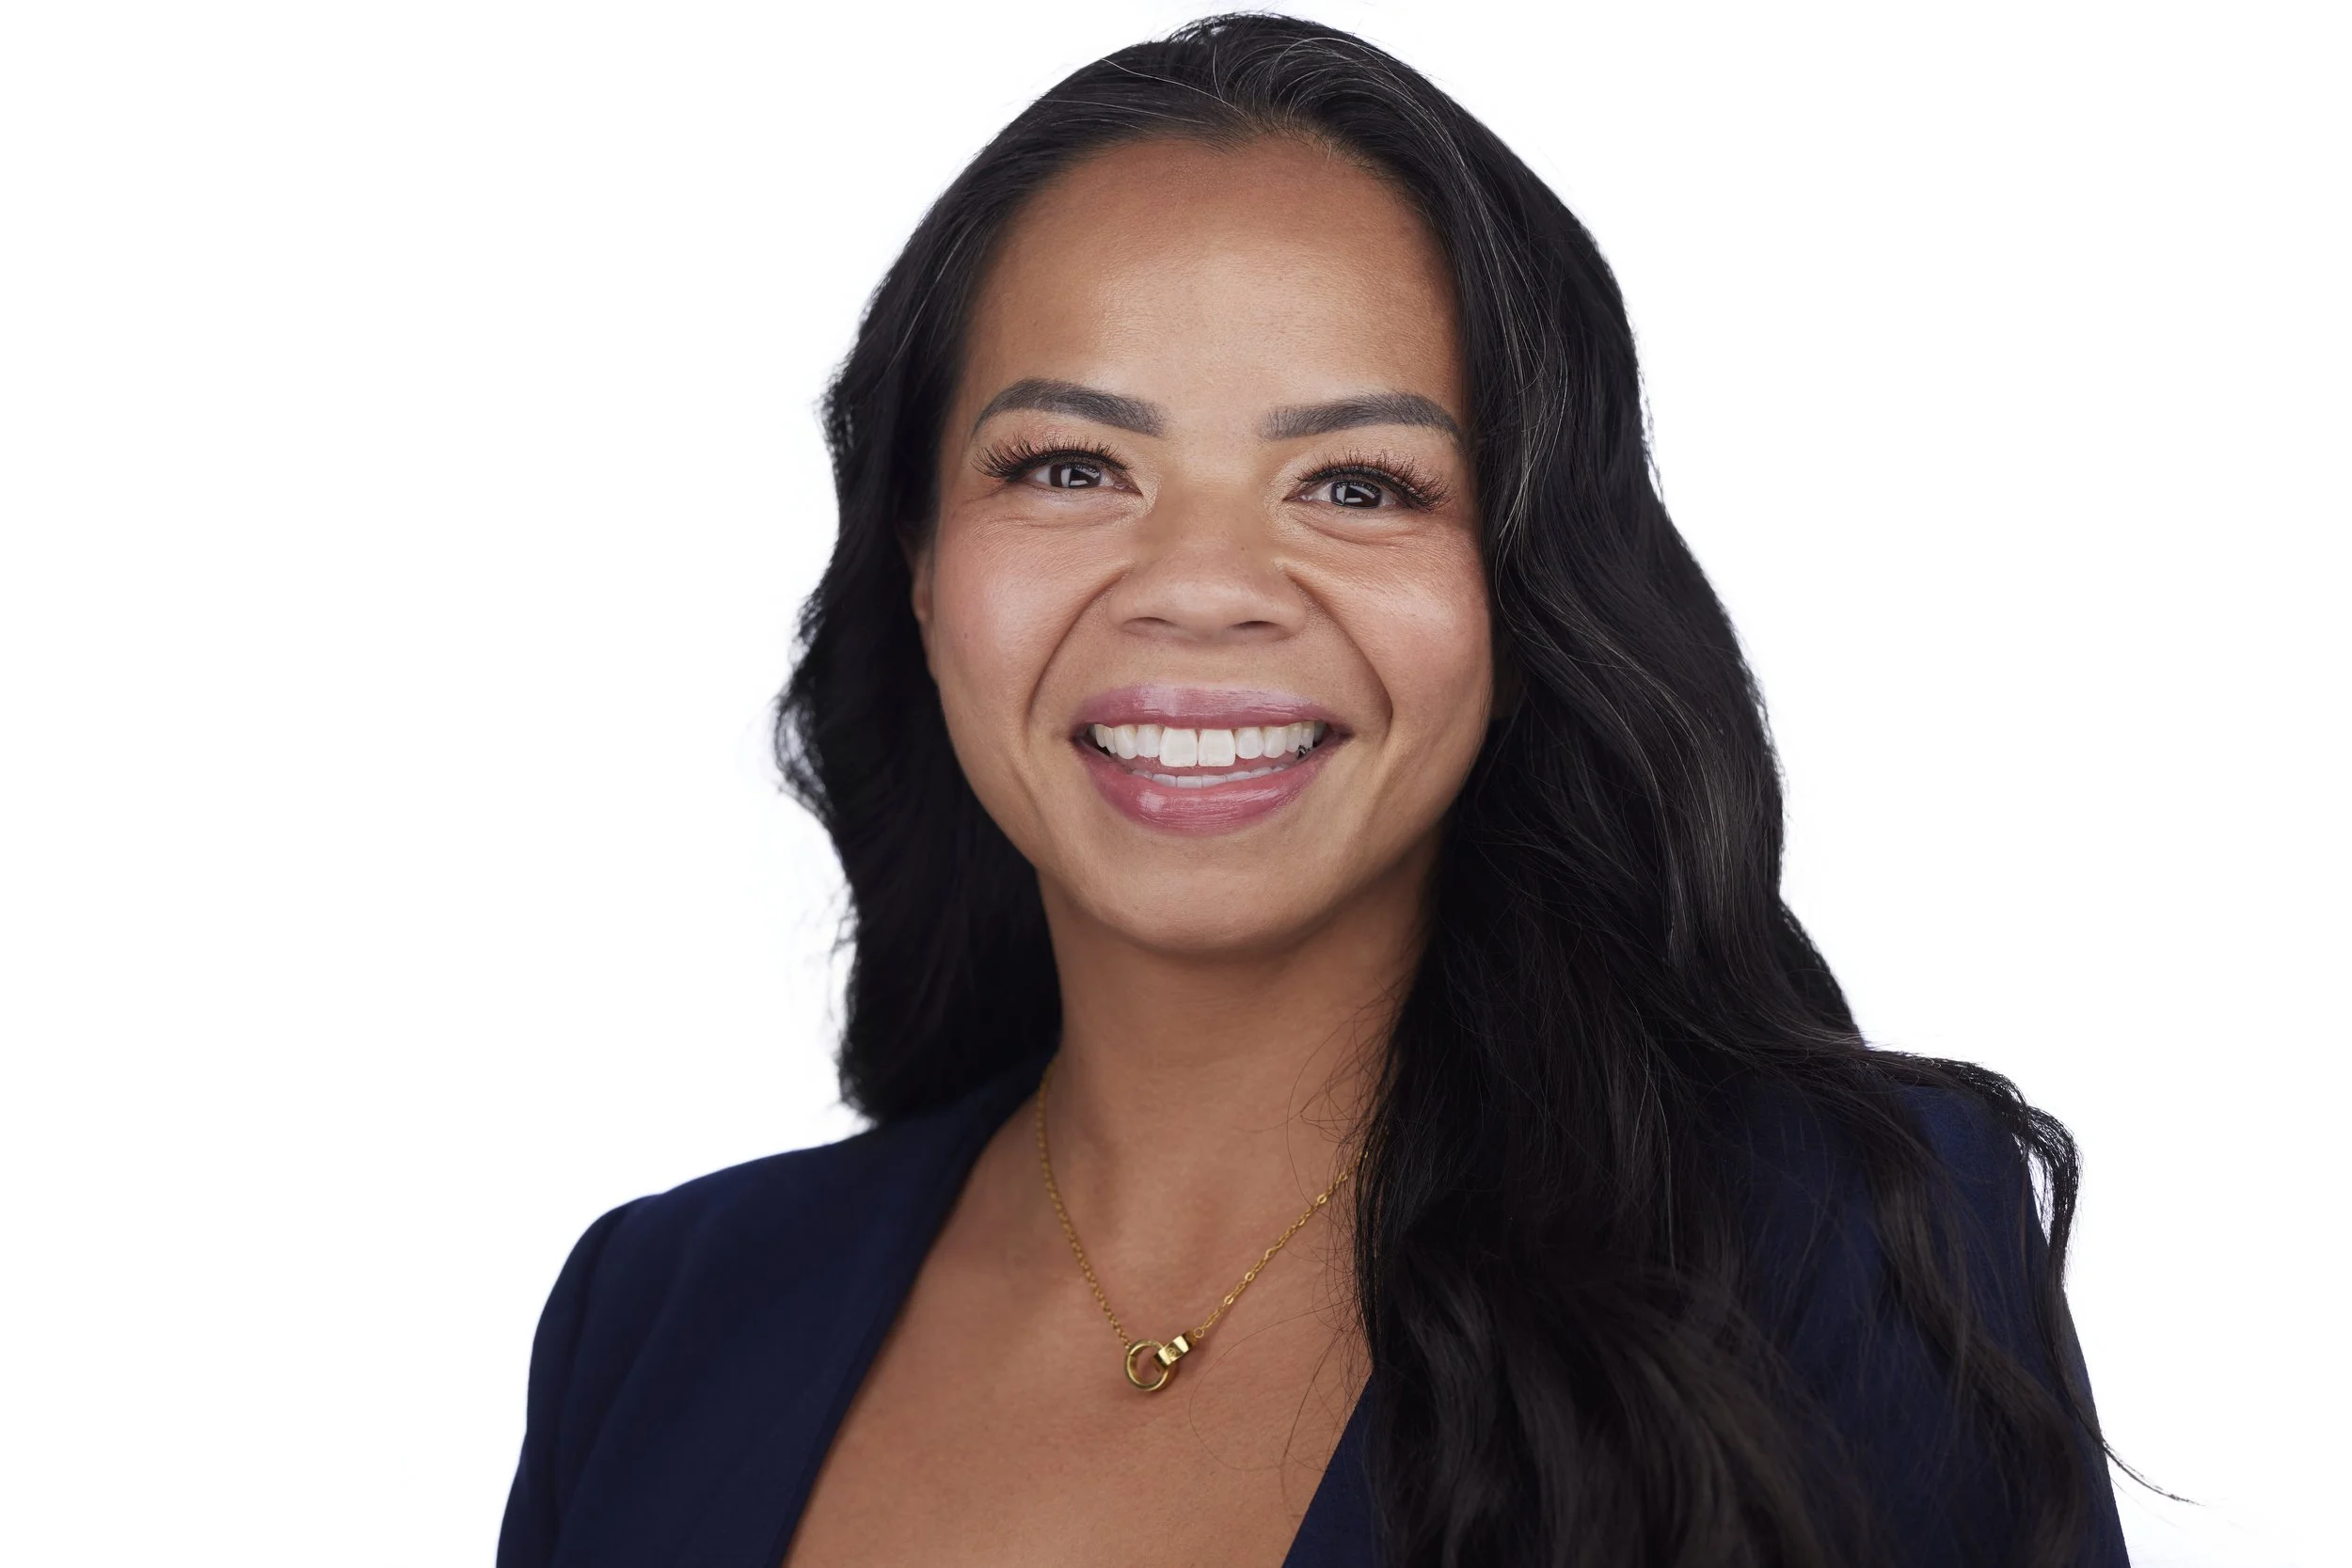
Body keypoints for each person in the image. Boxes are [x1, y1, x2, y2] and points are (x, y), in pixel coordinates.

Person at [496, 14, 2128, 1566]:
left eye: (1359, 482)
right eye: (1070, 465)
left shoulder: (1845, 1257)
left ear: (1520, 586)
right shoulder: (656, 1315)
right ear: (920, 566)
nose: (1203, 585)